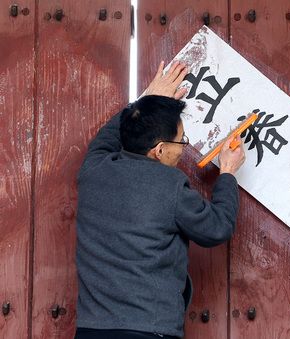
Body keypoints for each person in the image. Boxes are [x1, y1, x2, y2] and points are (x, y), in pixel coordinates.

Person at [74, 61, 245, 339]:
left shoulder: (93, 170)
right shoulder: (169, 185)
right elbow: (217, 227)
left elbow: (107, 138)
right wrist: (227, 173)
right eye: (182, 142)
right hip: (148, 331)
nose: (182, 149)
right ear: (160, 150)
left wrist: (143, 105)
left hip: (90, 331)